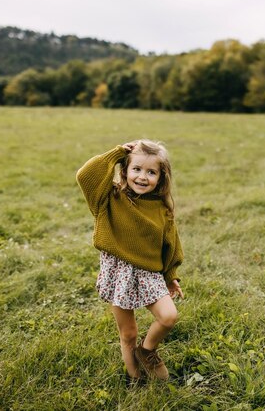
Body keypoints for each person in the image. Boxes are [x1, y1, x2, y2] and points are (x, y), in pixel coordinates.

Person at [76, 139, 184, 381]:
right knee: (128, 333)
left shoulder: (161, 209)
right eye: (136, 169)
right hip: (119, 271)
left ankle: (147, 351)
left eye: (151, 172)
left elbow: (171, 246)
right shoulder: (108, 199)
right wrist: (116, 153)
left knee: (168, 316)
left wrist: (171, 276)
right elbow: (85, 175)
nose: (142, 177)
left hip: (149, 272)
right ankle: (137, 380)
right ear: (124, 171)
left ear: (161, 177)